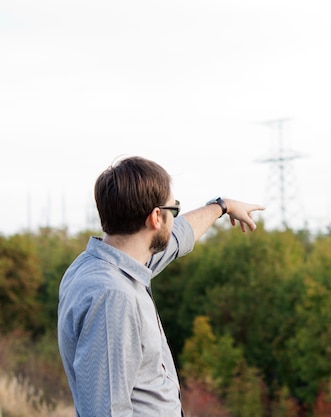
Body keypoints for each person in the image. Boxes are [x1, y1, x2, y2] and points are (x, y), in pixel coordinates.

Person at [57, 156, 264, 416]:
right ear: (156, 217)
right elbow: (106, 410)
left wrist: (221, 206)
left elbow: (178, 236)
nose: (174, 218)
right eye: (173, 210)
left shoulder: (103, 265)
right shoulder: (113, 296)